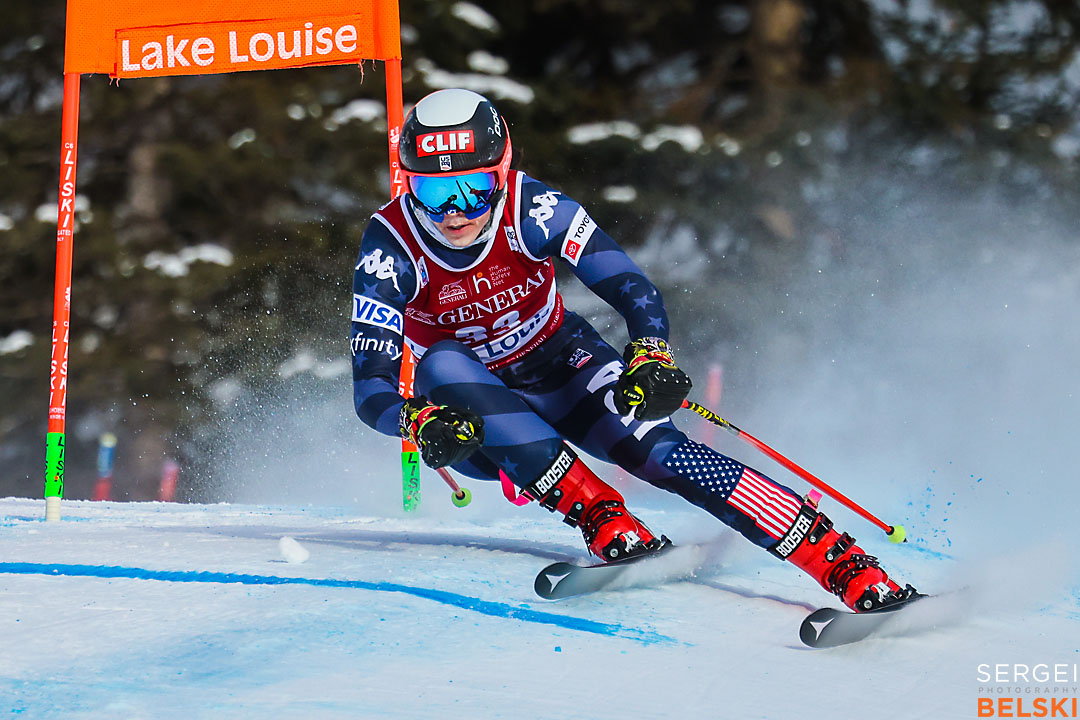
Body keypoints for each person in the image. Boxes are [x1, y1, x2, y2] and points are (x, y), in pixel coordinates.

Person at [351, 88, 917, 612]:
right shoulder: (391, 244)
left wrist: (649, 351)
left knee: (664, 454)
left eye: (474, 188)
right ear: (408, 183)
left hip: (562, 363)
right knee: (442, 362)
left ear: (503, 172)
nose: (454, 212)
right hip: (478, 422)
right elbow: (370, 385)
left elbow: (629, 284)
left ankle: (843, 563)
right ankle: (599, 514)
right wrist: (418, 421)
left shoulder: (535, 210)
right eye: (433, 190)